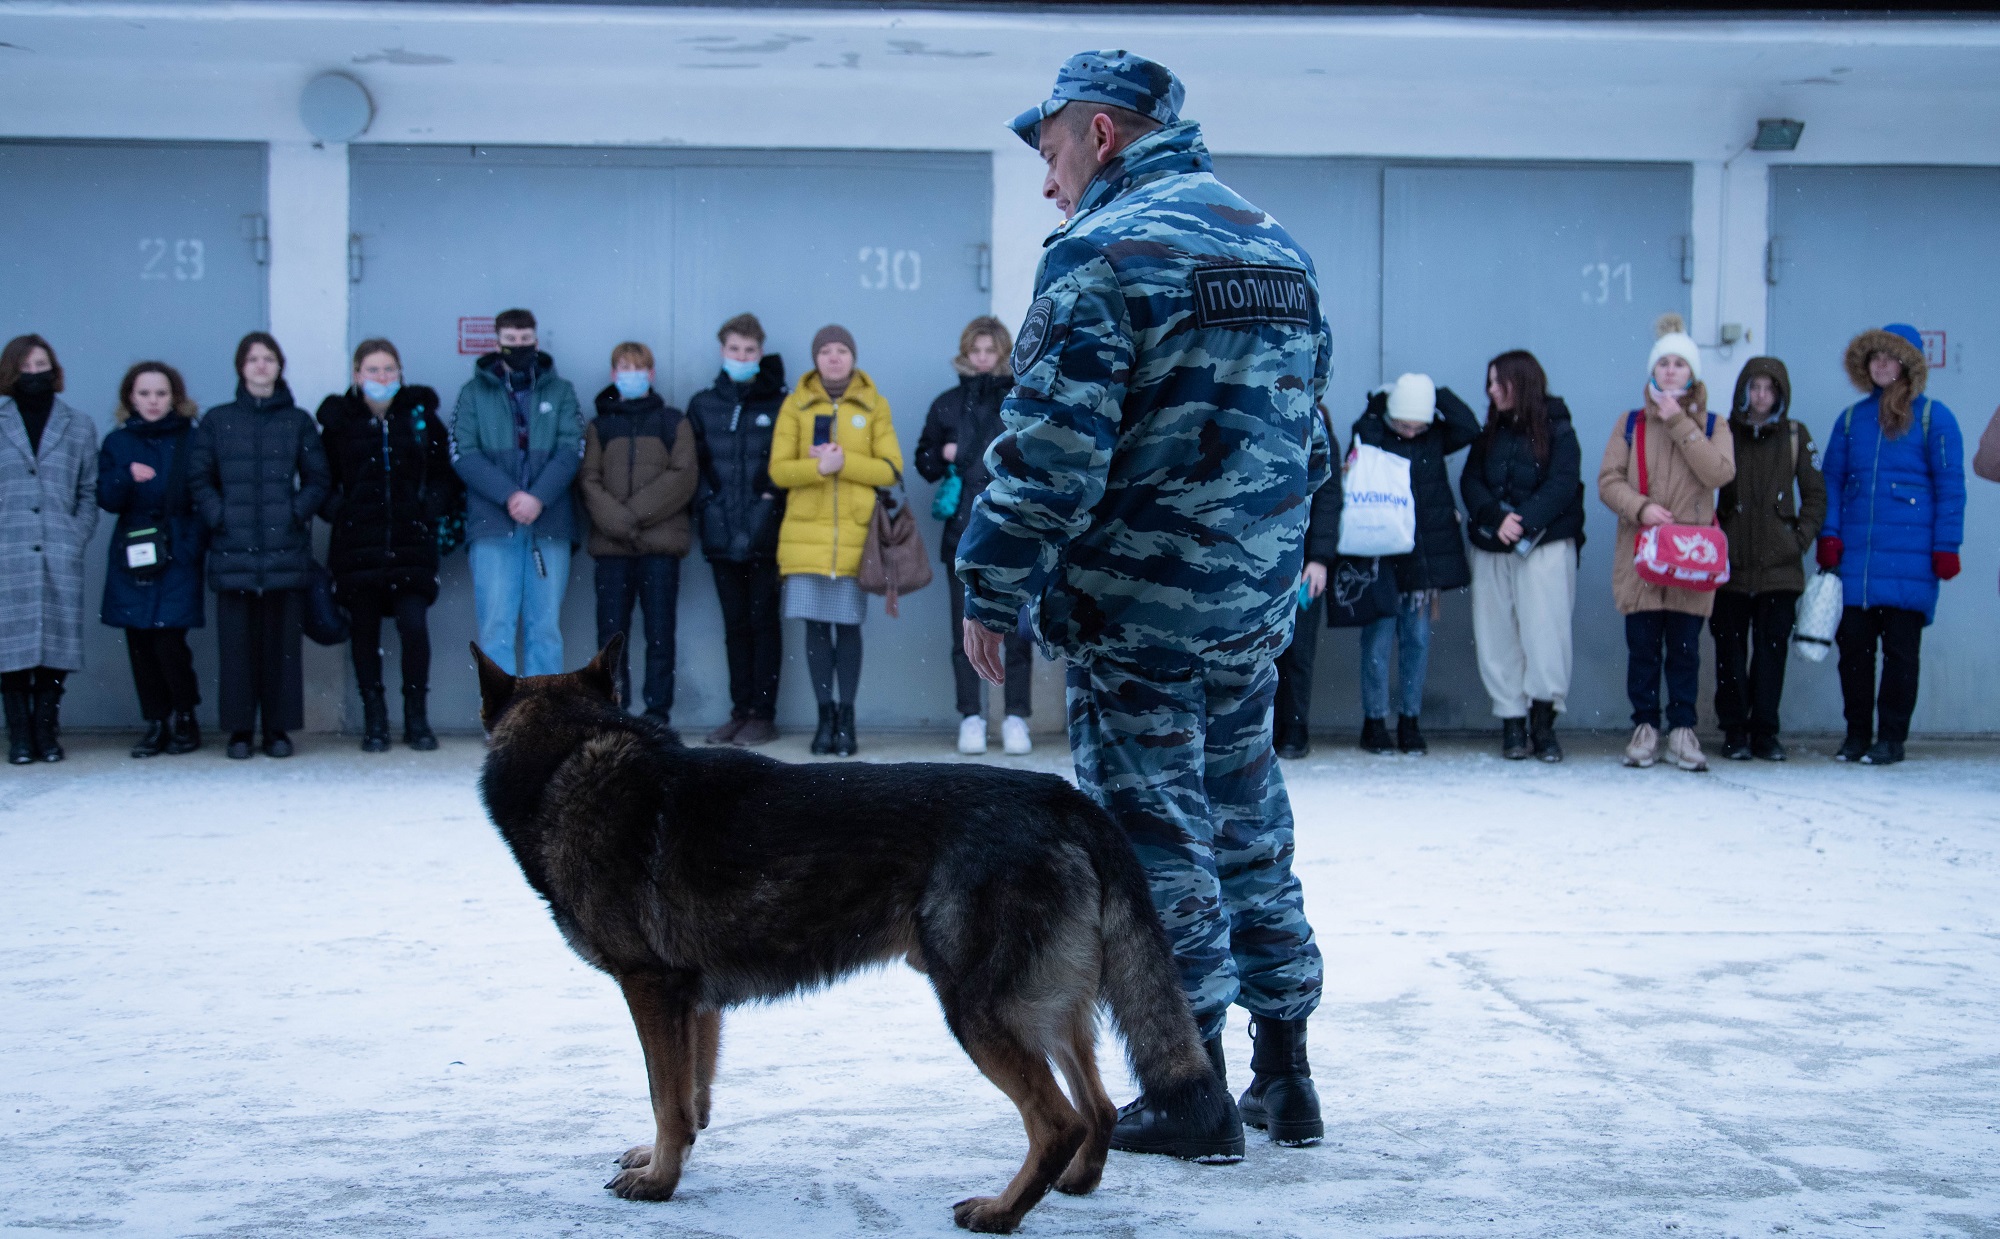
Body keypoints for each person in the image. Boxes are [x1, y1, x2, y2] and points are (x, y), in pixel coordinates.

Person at [958, 51, 1331, 1158]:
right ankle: (1288, 1075)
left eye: (1052, 147)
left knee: (1151, 839)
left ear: (1102, 135)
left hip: (1140, 611)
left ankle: (1188, 1093)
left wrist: (992, 578)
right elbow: (1307, 437)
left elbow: (1050, 451)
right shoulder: (1277, 247)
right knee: (1248, 823)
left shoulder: (1099, 252)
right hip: (1250, 608)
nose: (1045, 178)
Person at [1817, 322, 1966, 766]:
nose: (1881, 365)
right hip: (1858, 563)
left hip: (1911, 562)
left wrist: (1947, 545)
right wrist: (1829, 535)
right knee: (1854, 655)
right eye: (1874, 358)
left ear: (1909, 365)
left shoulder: (1934, 418)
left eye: (1890, 357)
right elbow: (1832, 482)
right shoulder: (1850, 420)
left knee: (1901, 655)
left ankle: (1891, 738)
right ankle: (1857, 734)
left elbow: (1951, 487)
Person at [1598, 314, 1735, 773]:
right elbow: (1607, 481)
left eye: (1680, 364)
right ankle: (1645, 728)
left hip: (1690, 558)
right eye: (1664, 364)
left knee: (1684, 650)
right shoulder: (1630, 422)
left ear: (1692, 373)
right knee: (1642, 648)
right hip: (1641, 553)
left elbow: (1719, 473)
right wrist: (1640, 508)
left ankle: (1682, 729)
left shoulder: (1714, 424)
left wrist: (1679, 421)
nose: (1671, 371)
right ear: (1652, 371)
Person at [189, 332, 331, 760]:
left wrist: (293, 513)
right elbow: (198, 479)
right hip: (233, 553)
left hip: (284, 553)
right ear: (241, 367)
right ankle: (238, 732)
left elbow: (318, 479)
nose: (261, 365)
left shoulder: (298, 421)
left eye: (268, 358)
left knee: (281, 651)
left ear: (279, 366)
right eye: (253, 359)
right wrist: (220, 515)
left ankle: (277, 730)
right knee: (236, 651)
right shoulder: (217, 421)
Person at [316, 338, 458, 752]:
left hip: (410, 544)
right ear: (357, 375)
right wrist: (341, 510)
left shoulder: (419, 420)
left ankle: (416, 717)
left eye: (389, 370)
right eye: (373, 370)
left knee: (413, 627)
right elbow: (320, 480)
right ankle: (374, 720)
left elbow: (444, 474)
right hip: (357, 546)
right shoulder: (340, 423)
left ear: (400, 373)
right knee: (364, 631)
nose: (382, 378)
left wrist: (428, 506)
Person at [769, 325, 902, 758]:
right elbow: (779, 471)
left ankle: (848, 719)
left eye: (841, 349)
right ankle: (823, 718)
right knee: (814, 629)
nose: (833, 358)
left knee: (848, 628)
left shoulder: (873, 403)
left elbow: (891, 469)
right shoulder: (796, 404)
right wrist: (817, 471)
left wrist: (845, 462)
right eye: (825, 351)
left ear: (853, 355)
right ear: (815, 358)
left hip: (856, 538)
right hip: (806, 538)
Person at [915, 315, 1034, 756]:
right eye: (976, 351)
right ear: (966, 354)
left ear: (1002, 353)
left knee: (1019, 631)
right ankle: (971, 716)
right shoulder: (947, 403)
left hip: (1015, 531)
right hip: (962, 534)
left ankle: (1016, 717)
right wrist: (943, 453)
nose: (983, 359)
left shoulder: (1020, 399)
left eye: (990, 350)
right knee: (962, 631)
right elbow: (923, 462)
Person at [1460, 350, 1585, 762]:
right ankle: (1511, 721)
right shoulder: (1490, 431)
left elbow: (1563, 484)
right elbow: (1471, 479)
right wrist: (1496, 517)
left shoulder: (1559, 430)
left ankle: (1543, 723)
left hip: (1545, 548)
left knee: (1545, 633)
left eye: (1499, 382)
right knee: (1497, 633)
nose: (1491, 390)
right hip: (1493, 546)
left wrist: (1524, 520)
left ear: (1522, 382)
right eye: (1490, 382)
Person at [1348, 374, 1479, 756]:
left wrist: (1431, 392)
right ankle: (1374, 723)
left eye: (1416, 422)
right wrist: (1380, 403)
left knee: (1417, 641)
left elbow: (1469, 426)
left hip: (1421, 557)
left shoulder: (1435, 436)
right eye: (1402, 422)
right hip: (1382, 554)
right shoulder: (1374, 432)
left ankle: (1410, 721)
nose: (1409, 430)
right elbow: (1362, 434)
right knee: (1377, 642)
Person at [451, 308, 583, 678]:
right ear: (497, 344)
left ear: (536, 342)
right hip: (493, 523)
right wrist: (510, 495)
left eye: (525, 341)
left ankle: (544, 723)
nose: (519, 348)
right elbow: (463, 452)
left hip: (548, 524)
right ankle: (502, 721)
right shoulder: (472, 394)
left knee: (545, 630)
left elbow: (571, 449)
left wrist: (537, 497)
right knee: (496, 628)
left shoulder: (561, 392)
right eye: (511, 342)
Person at [1711, 357, 1824, 762]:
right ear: (1744, 391)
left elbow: (1815, 493)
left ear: (1780, 394)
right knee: (1729, 650)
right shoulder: (1724, 431)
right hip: (1730, 565)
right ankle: (1735, 730)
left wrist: (1798, 540)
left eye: (1769, 389)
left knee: (1771, 651)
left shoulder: (1795, 434)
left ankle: (1764, 731)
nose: (1761, 396)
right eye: (1754, 387)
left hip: (1780, 569)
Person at [579, 341, 697, 725]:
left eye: (639, 368)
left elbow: (683, 476)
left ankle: (657, 713)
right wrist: (619, 522)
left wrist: (630, 515)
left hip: (660, 548)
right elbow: (589, 480)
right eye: (624, 368)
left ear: (651, 374)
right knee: (611, 637)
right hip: (612, 550)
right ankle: (614, 709)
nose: (632, 375)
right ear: (614, 374)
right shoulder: (599, 425)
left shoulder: (672, 421)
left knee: (660, 634)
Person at [97, 361, 207, 757]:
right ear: (131, 397)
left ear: (174, 397)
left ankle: (185, 716)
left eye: (161, 393)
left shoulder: (193, 440)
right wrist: (125, 476)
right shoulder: (118, 443)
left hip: (177, 550)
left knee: (168, 641)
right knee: (139, 642)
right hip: (134, 552)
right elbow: (107, 499)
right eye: (144, 394)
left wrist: (191, 544)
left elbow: (204, 495)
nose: (153, 401)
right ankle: (156, 722)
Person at [0, 334, 99, 764]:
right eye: (26, 366)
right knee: (11, 650)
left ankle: (46, 730)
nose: (35, 373)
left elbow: (88, 491)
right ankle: (19, 736)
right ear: (11, 371)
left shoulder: (78, 425)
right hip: (9, 552)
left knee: (53, 649)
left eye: (42, 365)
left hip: (59, 549)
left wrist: (75, 536)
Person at [689, 314, 786, 747]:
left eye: (749, 351)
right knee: (735, 626)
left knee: (763, 623)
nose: (742, 357)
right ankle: (739, 711)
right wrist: (710, 508)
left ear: (759, 353)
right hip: (720, 535)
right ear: (722, 351)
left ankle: (763, 715)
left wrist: (767, 506)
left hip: (767, 536)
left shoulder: (780, 402)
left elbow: (783, 467)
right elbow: (696, 467)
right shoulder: (704, 403)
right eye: (734, 350)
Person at [1273, 404, 1341, 760]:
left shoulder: (1318, 424)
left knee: (1299, 650)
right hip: (1263, 563)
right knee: (1263, 651)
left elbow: (1330, 499)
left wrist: (1319, 559)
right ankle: (1265, 730)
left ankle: (1295, 729)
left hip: (1303, 565)